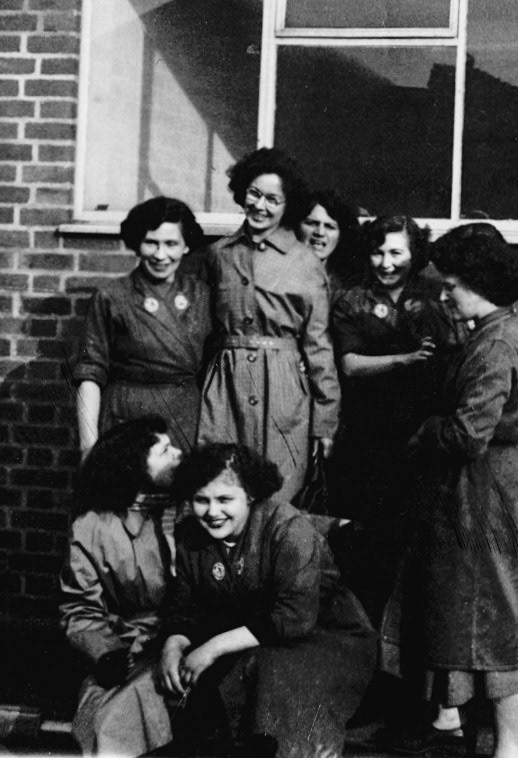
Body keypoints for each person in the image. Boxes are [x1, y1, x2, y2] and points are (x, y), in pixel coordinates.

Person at [400, 231, 518, 758]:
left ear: (480, 284)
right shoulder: (499, 331)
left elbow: (467, 434)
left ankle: (510, 749)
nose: (443, 296)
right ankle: (451, 724)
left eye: (451, 286)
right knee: (468, 607)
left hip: (484, 489)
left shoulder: (497, 343)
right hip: (483, 484)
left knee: (495, 615)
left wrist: (426, 430)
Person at [158, 443, 377, 758]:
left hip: (323, 636)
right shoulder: (191, 535)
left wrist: (212, 648)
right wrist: (173, 645)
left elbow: (295, 616)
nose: (213, 512)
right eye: (201, 500)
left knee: (272, 679)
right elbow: (184, 605)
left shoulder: (287, 528)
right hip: (248, 636)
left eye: (224, 499)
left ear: (249, 495)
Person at [329, 214, 460, 622]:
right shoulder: (353, 300)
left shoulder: (437, 295)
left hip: (421, 434)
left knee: (419, 536)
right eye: (378, 252)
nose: (385, 263)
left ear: (414, 253)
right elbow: (350, 364)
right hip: (368, 434)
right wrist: (406, 358)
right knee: (368, 537)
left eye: (396, 253)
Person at [198, 148, 340, 502]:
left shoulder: (305, 262)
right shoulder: (219, 255)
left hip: (284, 388)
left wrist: (324, 421)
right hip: (226, 386)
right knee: (220, 483)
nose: (260, 206)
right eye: (254, 194)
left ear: (287, 206)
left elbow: (319, 346)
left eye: (273, 200)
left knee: (277, 493)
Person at [60, 417, 182, 757]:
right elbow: (80, 609)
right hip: (128, 650)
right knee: (104, 716)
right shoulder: (93, 528)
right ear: (135, 466)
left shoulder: (194, 508)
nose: (179, 454)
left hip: (186, 642)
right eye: (165, 451)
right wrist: (105, 652)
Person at [73, 197, 211, 459]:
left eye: (171, 243)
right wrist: (88, 447)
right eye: (151, 242)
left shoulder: (202, 296)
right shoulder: (112, 296)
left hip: (185, 418)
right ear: (137, 243)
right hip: (127, 418)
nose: (160, 255)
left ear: (186, 246)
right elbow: (90, 373)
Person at [297, 189, 364, 299]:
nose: (320, 232)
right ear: (297, 227)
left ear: (340, 235)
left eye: (330, 227)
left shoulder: (347, 289)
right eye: (312, 223)